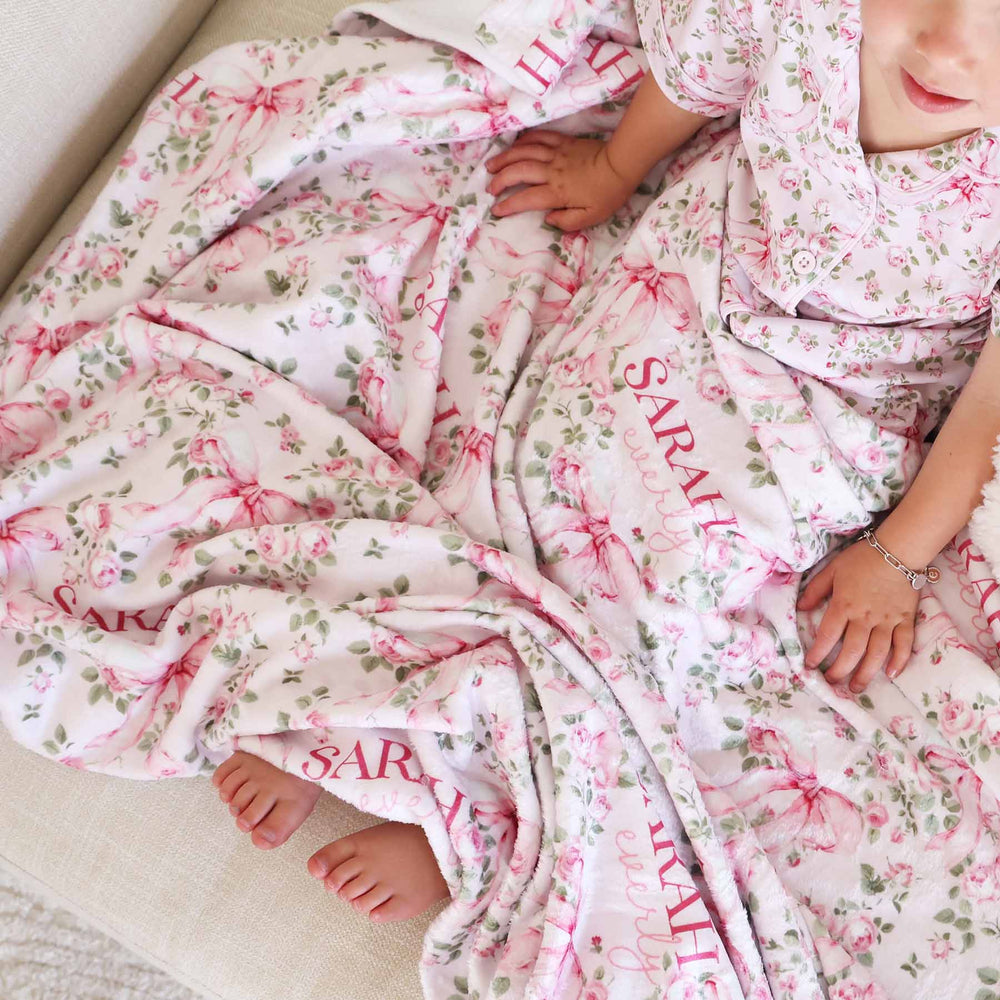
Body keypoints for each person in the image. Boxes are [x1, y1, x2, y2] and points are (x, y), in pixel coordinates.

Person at [210, 0, 1000, 938]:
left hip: (833, 412)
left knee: (670, 594)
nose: (947, 46)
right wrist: (616, 166)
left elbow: (989, 410)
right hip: (695, 282)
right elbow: (704, 64)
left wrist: (900, 556)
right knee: (520, 467)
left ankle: (480, 813)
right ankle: (340, 709)